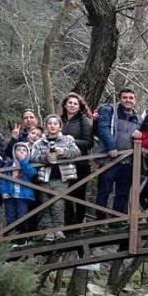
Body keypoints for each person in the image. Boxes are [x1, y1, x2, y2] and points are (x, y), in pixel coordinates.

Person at [30, 116, 80, 240]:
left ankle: (58, 230)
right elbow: (32, 157)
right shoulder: (39, 142)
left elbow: (76, 152)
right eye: (50, 123)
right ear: (46, 126)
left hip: (61, 178)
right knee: (45, 204)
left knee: (58, 205)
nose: (52, 126)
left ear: (60, 126)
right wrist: (45, 158)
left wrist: (62, 152)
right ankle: (48, 232)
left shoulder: (66, 140)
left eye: (55, 123)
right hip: (44, 178)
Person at [94, 88, 142, 215]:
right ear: (120, 99)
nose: (128, 100)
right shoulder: (110, 111)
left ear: (135, 100)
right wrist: (111, 147)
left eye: (131, 98)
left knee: (123, 192)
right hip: (109, 159)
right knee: (104, 190)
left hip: (127, 160)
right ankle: (100, 220)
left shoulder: (137, 118)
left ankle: (117, 218)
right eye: (125, 97)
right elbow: (102, 128)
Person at [53, 92, 94, 225]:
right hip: (61, 163)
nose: (72, 105)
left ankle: (78, 223)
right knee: (64, 194)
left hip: (80, 163)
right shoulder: (59, 120)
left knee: (79, 194)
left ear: (79, 106)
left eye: (75, 103)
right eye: (70, 103)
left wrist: (73, 141)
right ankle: (68, 224)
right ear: (65, 105)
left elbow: (89, 143)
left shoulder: (84, 120)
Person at [0, 141, 37, 234]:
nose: (21, 152)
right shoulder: (8, 164)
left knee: (22, 216)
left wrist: (23, 161)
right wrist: (4, 191)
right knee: (10, 216)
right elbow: (2, 179)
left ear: (28, 152)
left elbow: (31, 174)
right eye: (18, 150)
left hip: (23, 195)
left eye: (24, 150)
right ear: (14, 152)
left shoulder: (30, 163)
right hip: (10, 195)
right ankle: (10, 239)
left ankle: (21, 238)